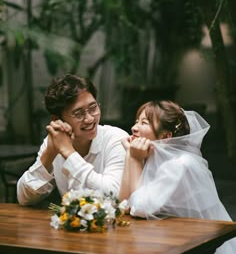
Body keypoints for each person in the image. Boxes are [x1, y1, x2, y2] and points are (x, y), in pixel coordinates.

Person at [119, 100, 236, 254]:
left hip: (194, 247)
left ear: (166, 136)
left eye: (144, 123)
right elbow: (122, 206)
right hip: (162, 240)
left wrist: (134, 159)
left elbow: (139, 208)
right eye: (136, 121)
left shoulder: (179, 165)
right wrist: (130, 156)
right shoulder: (151, 157)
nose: (134, 128)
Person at [17, 74, 128, 206]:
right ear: (56, 120)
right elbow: (24, 198)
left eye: (93, 108)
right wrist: (49, 153)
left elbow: (114, 197)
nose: (90, 119)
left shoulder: (116, 139)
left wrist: (69, 153)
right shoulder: (56, 141)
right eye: (79, 113)